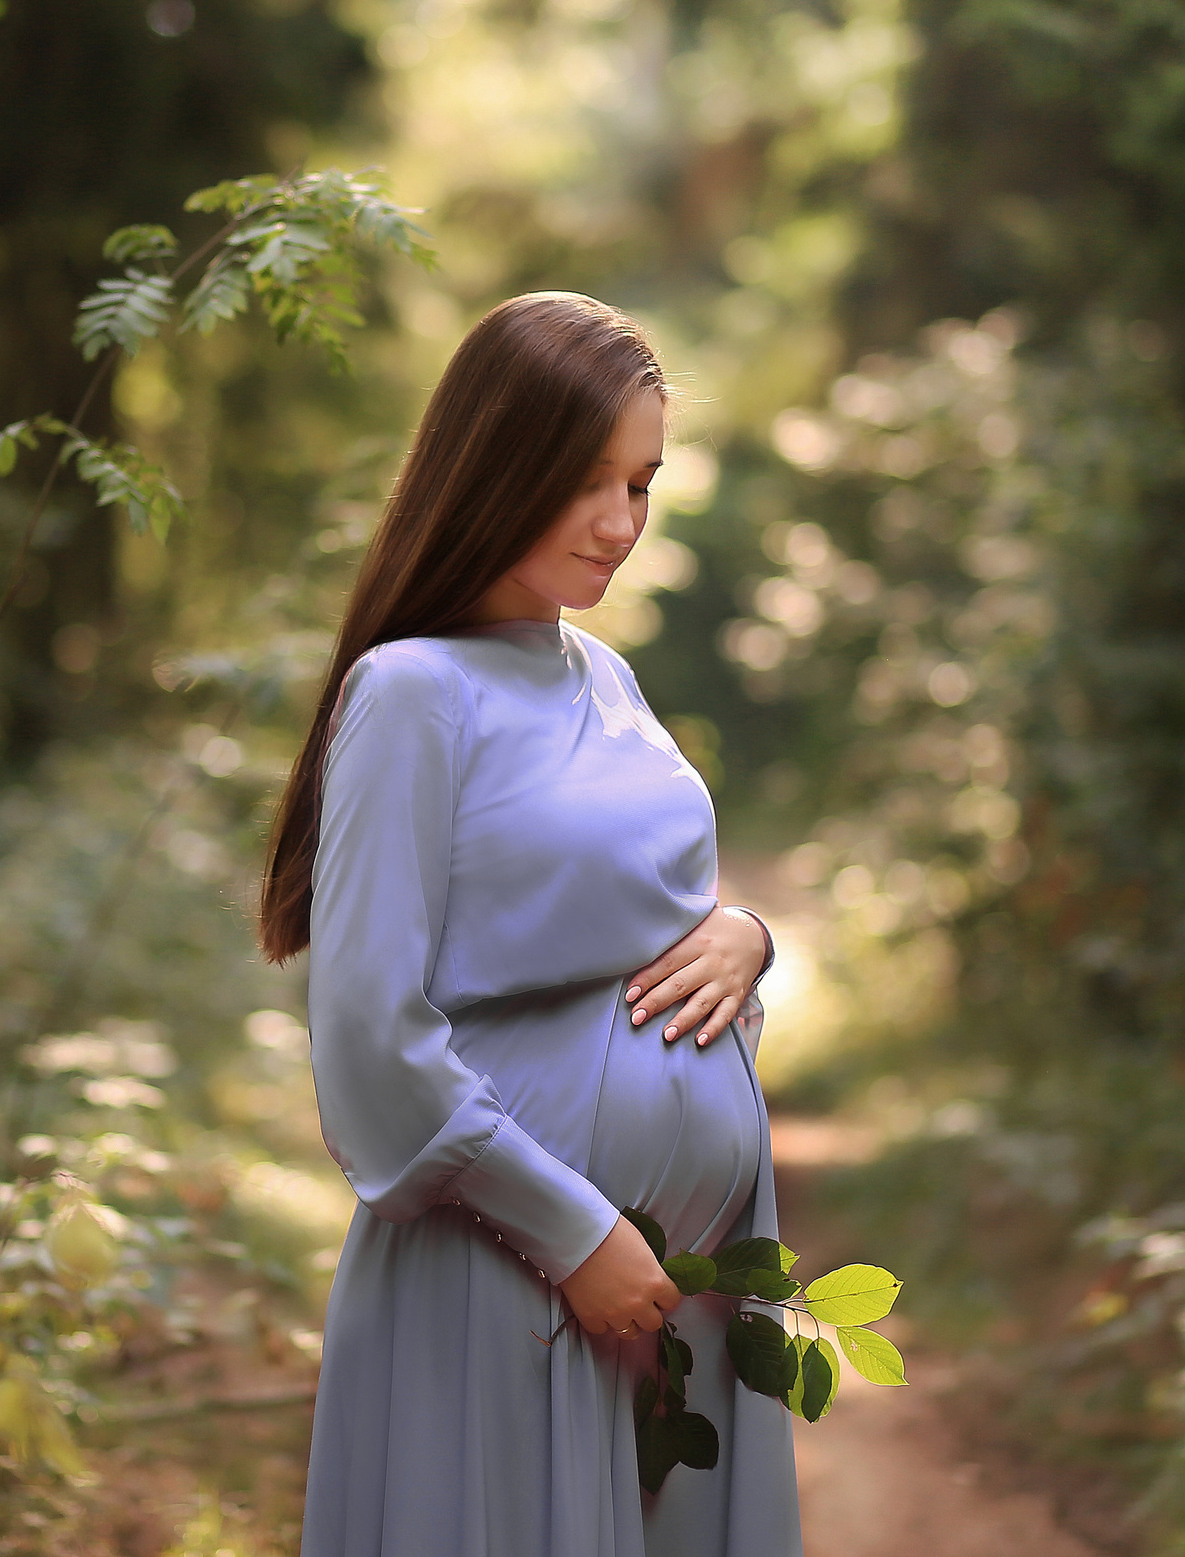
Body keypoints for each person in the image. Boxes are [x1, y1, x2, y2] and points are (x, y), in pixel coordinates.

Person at [259, 292, 798, 1556]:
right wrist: (575, 1230)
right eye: (586, 482)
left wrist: (747, 936)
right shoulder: (410, 692)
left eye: (642, 484)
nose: (621, 524)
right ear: (497, 466)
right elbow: (368, 1039)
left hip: (668, 1306)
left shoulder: (604, 675)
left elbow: (634, 916)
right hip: (509, 1277)